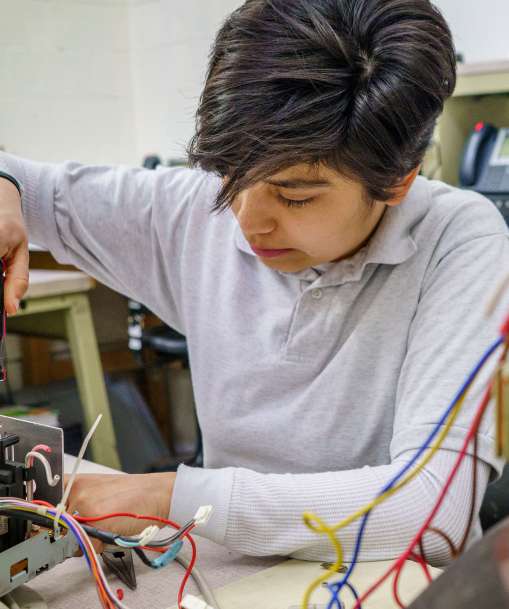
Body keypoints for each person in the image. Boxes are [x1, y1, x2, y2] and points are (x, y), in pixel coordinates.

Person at [0, 0, 508, 566]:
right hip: (225, 571)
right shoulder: (200, 210)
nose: (247, 221)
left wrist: (175, 498)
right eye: (229, 178)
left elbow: (432, 516)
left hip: (380, 583)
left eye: (295, 196)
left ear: (397, 180)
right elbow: (26, 181)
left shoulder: (460, 242)